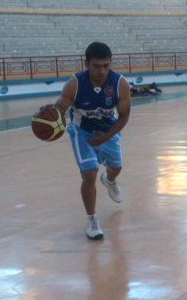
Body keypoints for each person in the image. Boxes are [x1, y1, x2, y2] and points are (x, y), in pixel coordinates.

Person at [44, 41, 131, 240]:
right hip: (81, 131)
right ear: (86, 64)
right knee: (89, 173)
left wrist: (107, 137)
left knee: (116, 167)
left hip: (108, 130)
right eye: (96, 66)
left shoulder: (120, 84)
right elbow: (59, 110)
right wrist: (49, 117)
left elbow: (124, 116)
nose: (101, 71)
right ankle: (92, 220)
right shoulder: (74, 84)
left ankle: (109, 180)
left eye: (106, 66)